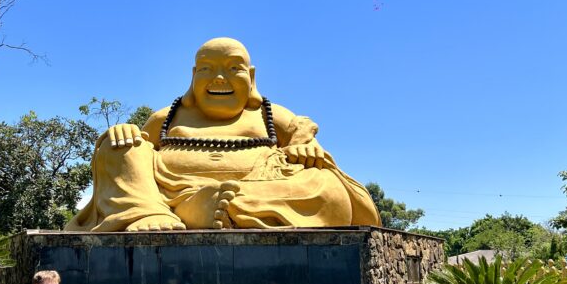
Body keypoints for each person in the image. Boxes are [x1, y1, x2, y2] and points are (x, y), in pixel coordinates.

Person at [68, 37, 380, 231]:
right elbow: (134, 156)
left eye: (233, 68)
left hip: (254, 191)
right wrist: (126, 132)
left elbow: (302, 130)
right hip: (168, 192)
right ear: (193, 76)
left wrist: (304, 144)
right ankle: (156, 211)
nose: (220, 78)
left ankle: (209, 209)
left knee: (328, 188)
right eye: (207, 69)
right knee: (118, 144)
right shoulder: (169, 116)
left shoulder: (267, 114)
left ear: (252, 76)